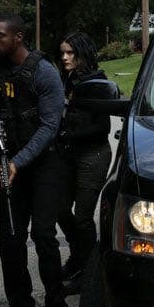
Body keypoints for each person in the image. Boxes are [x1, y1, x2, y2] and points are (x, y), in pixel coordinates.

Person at [0, 14, 69, 307]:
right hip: (10, 164)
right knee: (11, 239)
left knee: (44, 237)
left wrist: (18, 162)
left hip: (44, 166)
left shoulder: (44, 72)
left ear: (18, 37)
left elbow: (49, 128)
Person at [55, 32, 112, 293]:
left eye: (71, 53)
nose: (65, 57)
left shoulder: (97, 83)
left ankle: (89, 273)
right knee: (59, 208)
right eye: (63, 53)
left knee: (83, 217)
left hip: (93, 155)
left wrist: (67, 134)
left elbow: (102, 127)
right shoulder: (67, 78)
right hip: (69, 155)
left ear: (82, 54)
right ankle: (78, 256)